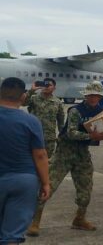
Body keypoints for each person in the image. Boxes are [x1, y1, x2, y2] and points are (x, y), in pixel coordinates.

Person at [26, 81, 103, 237]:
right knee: (49, 184)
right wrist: (92, 135)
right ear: (86, 95)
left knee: (86, 188)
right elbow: (71, 133)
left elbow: (99, 130)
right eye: (91, 95)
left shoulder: (100, 111)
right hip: (65, 152)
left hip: (82, 153)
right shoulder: (76, 110)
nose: (93, 98)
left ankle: (79, 219)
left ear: (100, 97)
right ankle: (35, 221)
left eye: (96, 96)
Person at [0, 78, 50, 244]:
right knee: (12, 235)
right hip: (23, 181)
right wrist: (45, 183)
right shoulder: (31, 121)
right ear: (22, 97)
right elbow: (40, 155)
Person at [23, 78, 65, 159]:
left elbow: (61, 121)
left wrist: (62, 136)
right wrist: (31, 90)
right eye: (44, 84)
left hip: (49, 138)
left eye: (49, 85)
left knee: (46, 161)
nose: (46, 87)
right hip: (33, 135)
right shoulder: (34, 98)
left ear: (54, 88)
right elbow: (23, 103)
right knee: (30, 159)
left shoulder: (57, 102)